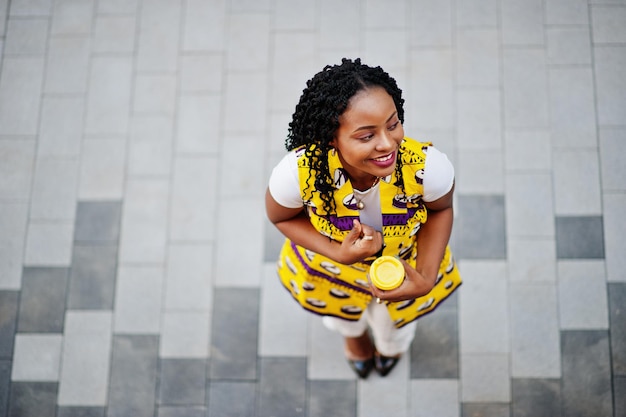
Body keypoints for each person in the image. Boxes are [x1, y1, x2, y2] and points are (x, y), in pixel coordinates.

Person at [265, 58, 461, 378]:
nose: (387, 144)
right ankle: (355, 340)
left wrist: (425, 276)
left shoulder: (429, 169)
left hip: (404, 269)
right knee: (341, 315)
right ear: (332, 138)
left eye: (393, 124)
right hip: (331, 270)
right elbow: (281, 218)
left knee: (395, 327)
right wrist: (337, 252)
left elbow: (441, 210)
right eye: (366, 135)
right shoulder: (297, 174)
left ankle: (389, 348)